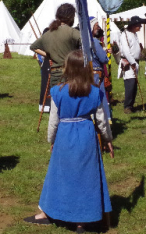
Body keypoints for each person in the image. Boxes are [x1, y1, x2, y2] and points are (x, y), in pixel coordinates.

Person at [24, 50, 113, 232]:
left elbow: (53, 121)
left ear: (68, 68)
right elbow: (102, 121)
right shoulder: (94, 92)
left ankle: (52, 213)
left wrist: (52, 139)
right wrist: (108, 139)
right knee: (85, 177)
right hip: (86, 136)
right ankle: (81, 221)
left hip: (65, 136)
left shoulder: (58, 91)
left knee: (61, 175)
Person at [30, 4, 81, 87]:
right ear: (70, 17)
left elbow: (33, 47)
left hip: (54, 76)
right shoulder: (72, 32)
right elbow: (87, 44)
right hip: (70, 75)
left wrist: (49, 55)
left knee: (55, 99)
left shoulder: (48, 34)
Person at [119, 16, 146, 113]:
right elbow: (126, 51)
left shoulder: (134, 34)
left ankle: (131, 105)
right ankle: (127, 106)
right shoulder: (124, 35)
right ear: (134, 25)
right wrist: (133, 63)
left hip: (134, 61)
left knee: (134, 85)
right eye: (139, 25)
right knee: (130, 84)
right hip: (128, 62)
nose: (140, 27)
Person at [90, 17, 112, 123]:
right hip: (96, 76)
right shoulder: (94, 42)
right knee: (100, 98)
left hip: (86, 74)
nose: (98, 27)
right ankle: (102, 124)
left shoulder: (84, 42)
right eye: (96, 26)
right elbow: (103, 59)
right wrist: (106, 54)